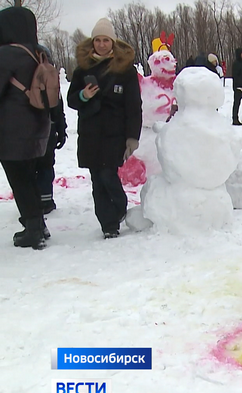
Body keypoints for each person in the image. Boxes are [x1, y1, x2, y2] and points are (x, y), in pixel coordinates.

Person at [67, 17, 142, 238]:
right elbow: (72, 100)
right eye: (97, 40)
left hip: (114, 133)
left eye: (105, 40)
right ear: (92, 42)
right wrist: (84, 95)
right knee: (96, 180)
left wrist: (132, 137)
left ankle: (119, 207)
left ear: (113, 42)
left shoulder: (125, 69)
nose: (101, 44)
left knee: (108, 175)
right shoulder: (83, 69)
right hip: (90, 133)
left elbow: (133, 105)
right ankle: (108, 225)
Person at [0, 6, 52, 249]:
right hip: (37, 125)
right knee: (29, 177)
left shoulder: (5, 55)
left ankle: (33, 230)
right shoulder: (39, 53)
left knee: (19, 180)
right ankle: (38, 225)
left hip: (12, 131)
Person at [35, 45, 68, 215]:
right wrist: (61, 129)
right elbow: (57, 107)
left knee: (30, 166)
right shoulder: (50, 79)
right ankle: (46, 200)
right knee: (46, 165)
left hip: (26, 131)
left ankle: (32, 200)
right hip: (47, 128)